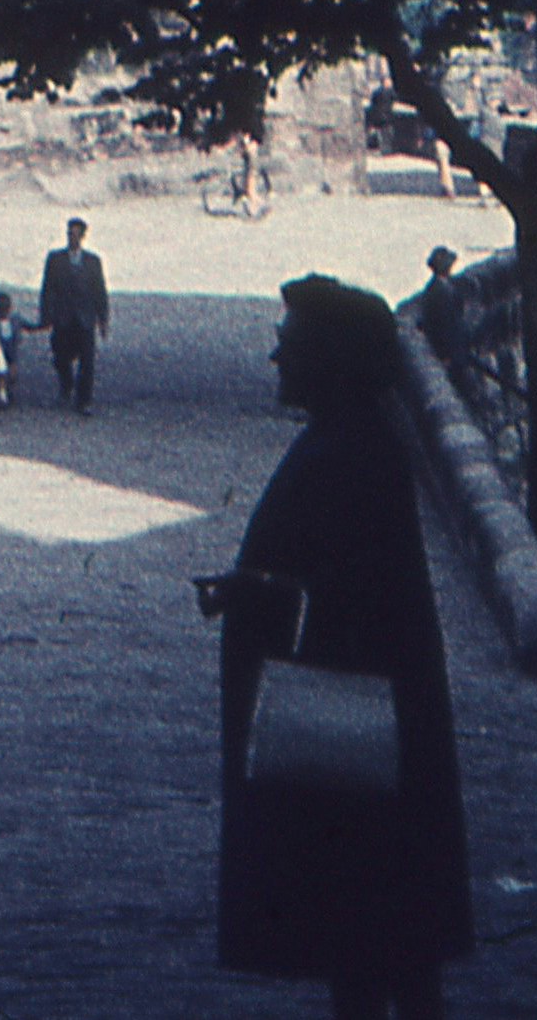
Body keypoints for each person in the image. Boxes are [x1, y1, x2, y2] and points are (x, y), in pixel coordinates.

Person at [200, 276, 472, 1018]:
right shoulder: (353, 440)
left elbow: (351, 590)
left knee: (375, 924)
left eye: (289, 345)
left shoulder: (350, 450)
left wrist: (257, 591)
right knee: (374, 933)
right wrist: (255, 587)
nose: (276, 359)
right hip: (369, 724)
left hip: (359, 728)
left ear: (329, 357)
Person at [38, 215, 110, 412]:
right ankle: (67, 383)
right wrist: (45, 315)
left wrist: (103, 319)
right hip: (62, 317)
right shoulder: (56, 259)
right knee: (60, 356)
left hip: (85, 317)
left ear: (83, 237)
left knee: (87, 360)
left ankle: (84, 400)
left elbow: (100, 291)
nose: (73, 238)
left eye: (76, 235)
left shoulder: (93, 262)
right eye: (70, 234)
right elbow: (47, 288)